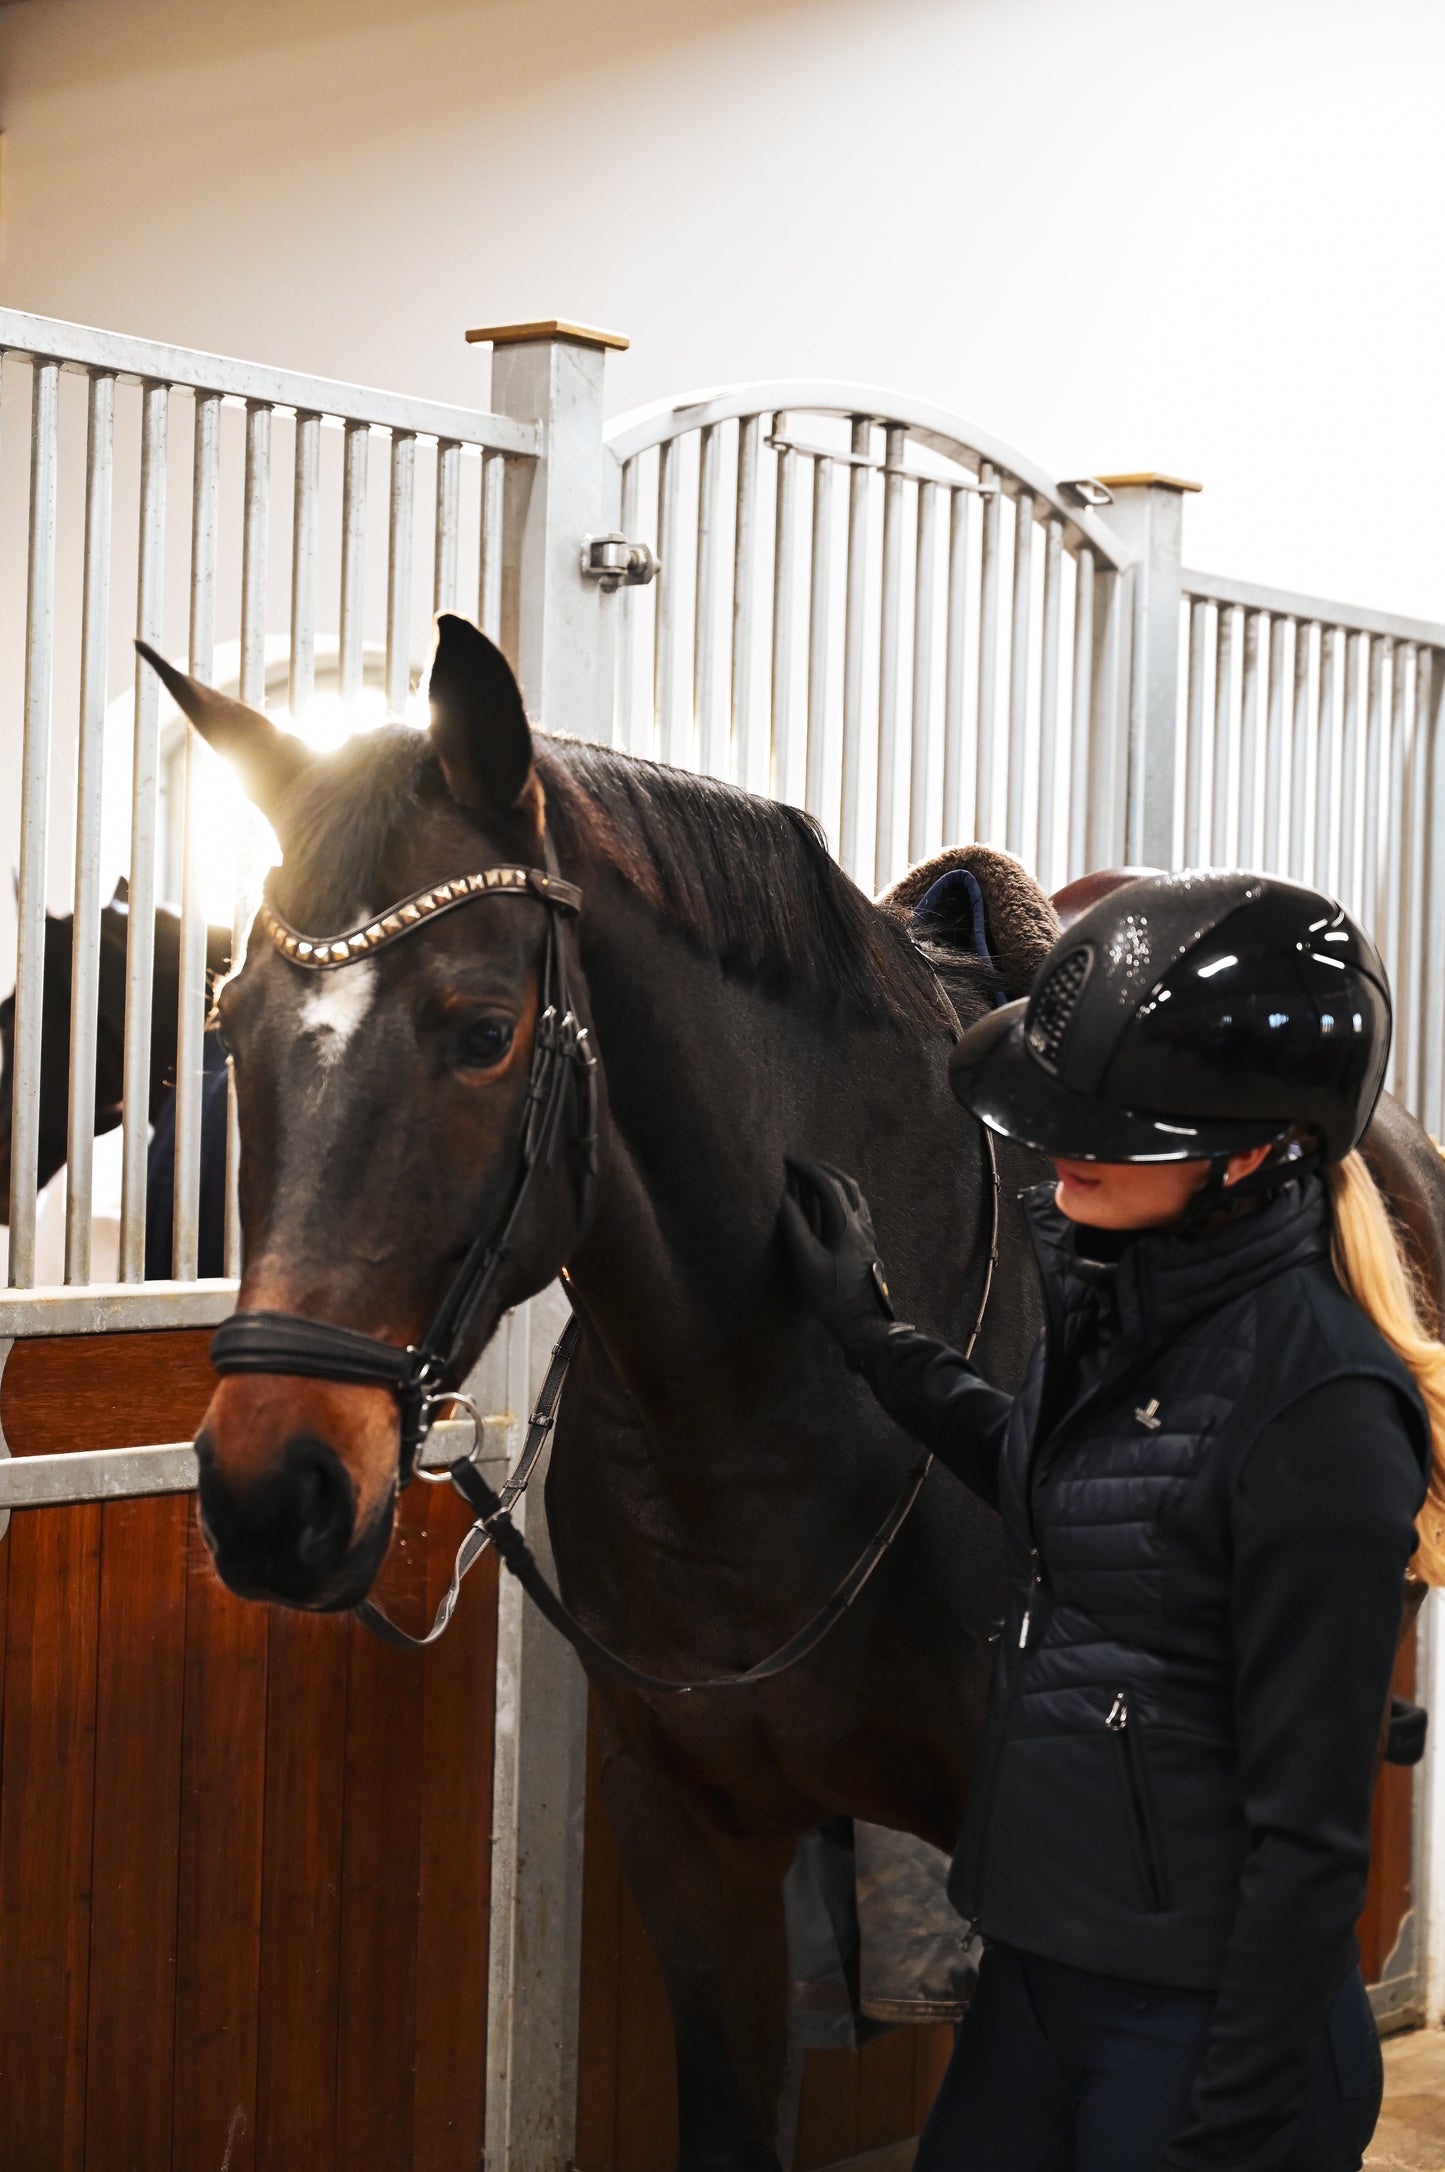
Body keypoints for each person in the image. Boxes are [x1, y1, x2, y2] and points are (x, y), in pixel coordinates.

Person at [782, 870, 1445, 2172]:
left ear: (1257, 1153)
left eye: (1112, 1124)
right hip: (1039, 1967)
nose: (1058, 1143)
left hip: (1196, 2026)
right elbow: (1040, 1475)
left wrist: (1228, 2126)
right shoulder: (1121, 1320)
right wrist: (871, 1336)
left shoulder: (1320, 1414)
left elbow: (1307, 1851)